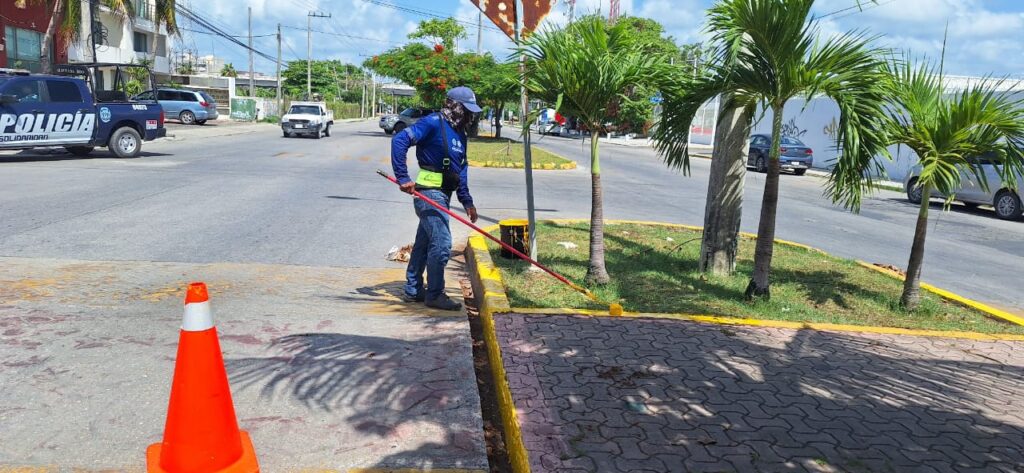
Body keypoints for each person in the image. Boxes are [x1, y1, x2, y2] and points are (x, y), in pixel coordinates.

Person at [391, 86, 481, 311]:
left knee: (424, 243)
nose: (470, 116)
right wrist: (403, 177)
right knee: (442, 245)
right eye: (467, 110)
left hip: (445, 194)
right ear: (455, 106)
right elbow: (399, 141)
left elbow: (462, 170)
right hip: (428, 193)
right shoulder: (432, 122)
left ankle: (413, 289)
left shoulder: (460, 133)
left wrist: (467, 201)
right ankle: (435, 293)